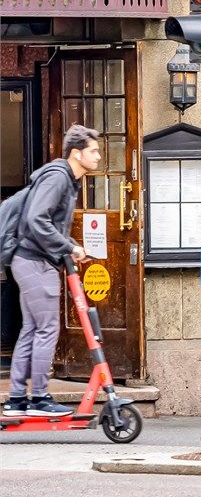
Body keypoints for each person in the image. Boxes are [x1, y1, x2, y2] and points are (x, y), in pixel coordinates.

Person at [6, 124, 98, 417]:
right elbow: (36, 220)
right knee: (46, 328)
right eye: (93, 151)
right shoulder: (58, 178)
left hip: (31, 259)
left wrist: (69, 245)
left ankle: (18, 398)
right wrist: (69, 247)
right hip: (34, 261)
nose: (98, 157)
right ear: (76, 153)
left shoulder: (67, 180)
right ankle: (39, 398)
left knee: (32, 328)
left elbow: (47, 224)